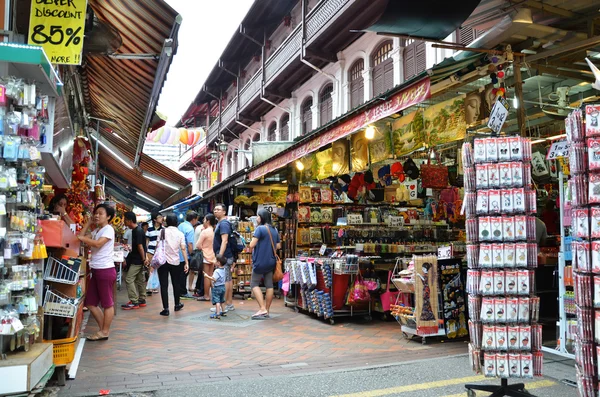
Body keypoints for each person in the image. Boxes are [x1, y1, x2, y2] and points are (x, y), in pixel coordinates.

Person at [77, 203, 116, 341]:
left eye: (101, 213)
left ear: (109, 217)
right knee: (91, 303)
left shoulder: (108, 229)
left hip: (105, 270)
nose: (97, 215)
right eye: (96, 213)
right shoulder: (98, 230)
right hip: (97, 270)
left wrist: (83, 238)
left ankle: (104, 331)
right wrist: (88, 223)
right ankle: (103, 330)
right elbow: (81, 236)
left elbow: (98, 244)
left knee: (107, 303)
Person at [248, 209, 281, 319]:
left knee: (254, 284)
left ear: (261, 217)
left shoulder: (260, 229)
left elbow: (252, 245)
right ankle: (267, 310)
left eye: (257, 216)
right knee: (269, 285)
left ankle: (262, 308)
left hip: (260, 261)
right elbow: (278, 246)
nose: (257, 218)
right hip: (271, 261)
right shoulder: (274, 229)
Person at [158, 214, 189, 316]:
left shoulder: (162, 231)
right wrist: (186, 262)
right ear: (176, 222)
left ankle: (166, 308)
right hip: (175, 261)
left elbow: (158, 246)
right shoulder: (180, 234)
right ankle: (177, 304)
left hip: (162, 261)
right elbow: (183, 248)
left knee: (164, 285)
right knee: (176, 283)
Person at [121, 212, 148, 310]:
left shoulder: (137, 231)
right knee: (139, 279)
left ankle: (134, 301)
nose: (124, 222)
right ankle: (142, 299)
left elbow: (140, 246)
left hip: (137, 259)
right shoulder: (136, 230)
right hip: (137, 258)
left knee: (129, 279)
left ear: (129, 220)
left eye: (125, 220)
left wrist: (144, 259)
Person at [212, 203, 235, 312]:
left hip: (225, 256)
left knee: (224, 281)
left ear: (224, 212)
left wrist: (219, 257)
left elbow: (224, 241)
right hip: (227, 256)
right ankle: (228, 303)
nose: (216, 211)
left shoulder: (224, 224)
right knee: (228, 279)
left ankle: (224, 305)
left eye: (218, 209)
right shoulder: (221, 223)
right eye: (215, 209)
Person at [196, 214, 217, 301]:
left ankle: (206, 295)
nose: (203, 222)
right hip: (213, 255)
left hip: (205, 255)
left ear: (208, 221)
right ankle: (214, 294)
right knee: (211, 275)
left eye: (204, 220)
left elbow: (198, 245)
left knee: (206, 276)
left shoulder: (204, 232)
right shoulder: (214, 231)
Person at [179, 211, 199, 299]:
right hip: (185, 255)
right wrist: (192, 254)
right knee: (184, 273)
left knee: (180, 273)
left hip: (178, 253)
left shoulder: (180, 225)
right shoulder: (190, 228)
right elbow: (190, 244)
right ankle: (183, 292)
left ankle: (179, 291)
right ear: (194, 219)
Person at [145, 212, 164, 295]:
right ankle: (150, 287)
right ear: (155, 219)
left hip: (159, 253)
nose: (162, 218)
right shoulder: (149, 230)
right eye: (159, 217)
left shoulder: (163, 230)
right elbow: (147, 241)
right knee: (150, 269)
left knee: (158, 269)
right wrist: (146, 252)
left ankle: (155, 286)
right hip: (150, 252)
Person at [204, 254, 227, 319]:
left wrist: (207, 276)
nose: (214, 261)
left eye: (215, 260)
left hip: (217, 287)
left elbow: (214, 279)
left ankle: (217, 313)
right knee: (222, 300)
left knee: (217, 301)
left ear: (218, 263)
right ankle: (223, 311)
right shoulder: (224, 269)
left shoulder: (217, 271)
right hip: (223, 286)